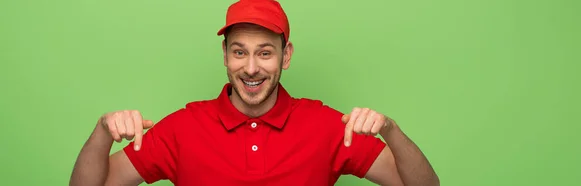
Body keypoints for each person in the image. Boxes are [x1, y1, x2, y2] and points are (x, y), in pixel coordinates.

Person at [69, 0, 439, 185]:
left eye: (265, 52)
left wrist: (390, 129)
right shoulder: (183, 127)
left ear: (286, 56)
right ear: (225, 56)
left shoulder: (328, 126)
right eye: (239, 51)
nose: (250, 68)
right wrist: (102, 132)